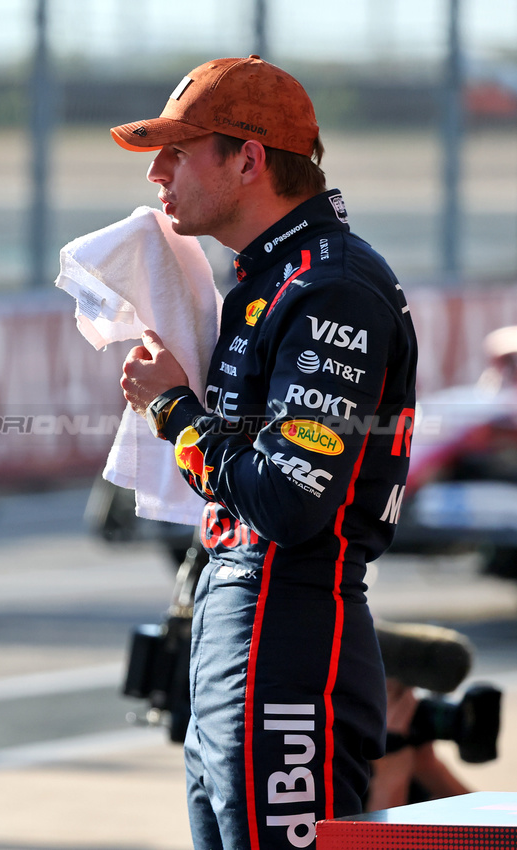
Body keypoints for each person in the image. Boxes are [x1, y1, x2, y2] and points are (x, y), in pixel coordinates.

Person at [114, 56, 417, 849]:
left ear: (247, 158)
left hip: (288, 627)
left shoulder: (331, 288)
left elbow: (289, 500)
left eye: (177, 150)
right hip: (238, 613)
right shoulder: (269, 278)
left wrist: (173, 409)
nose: (155, 172)